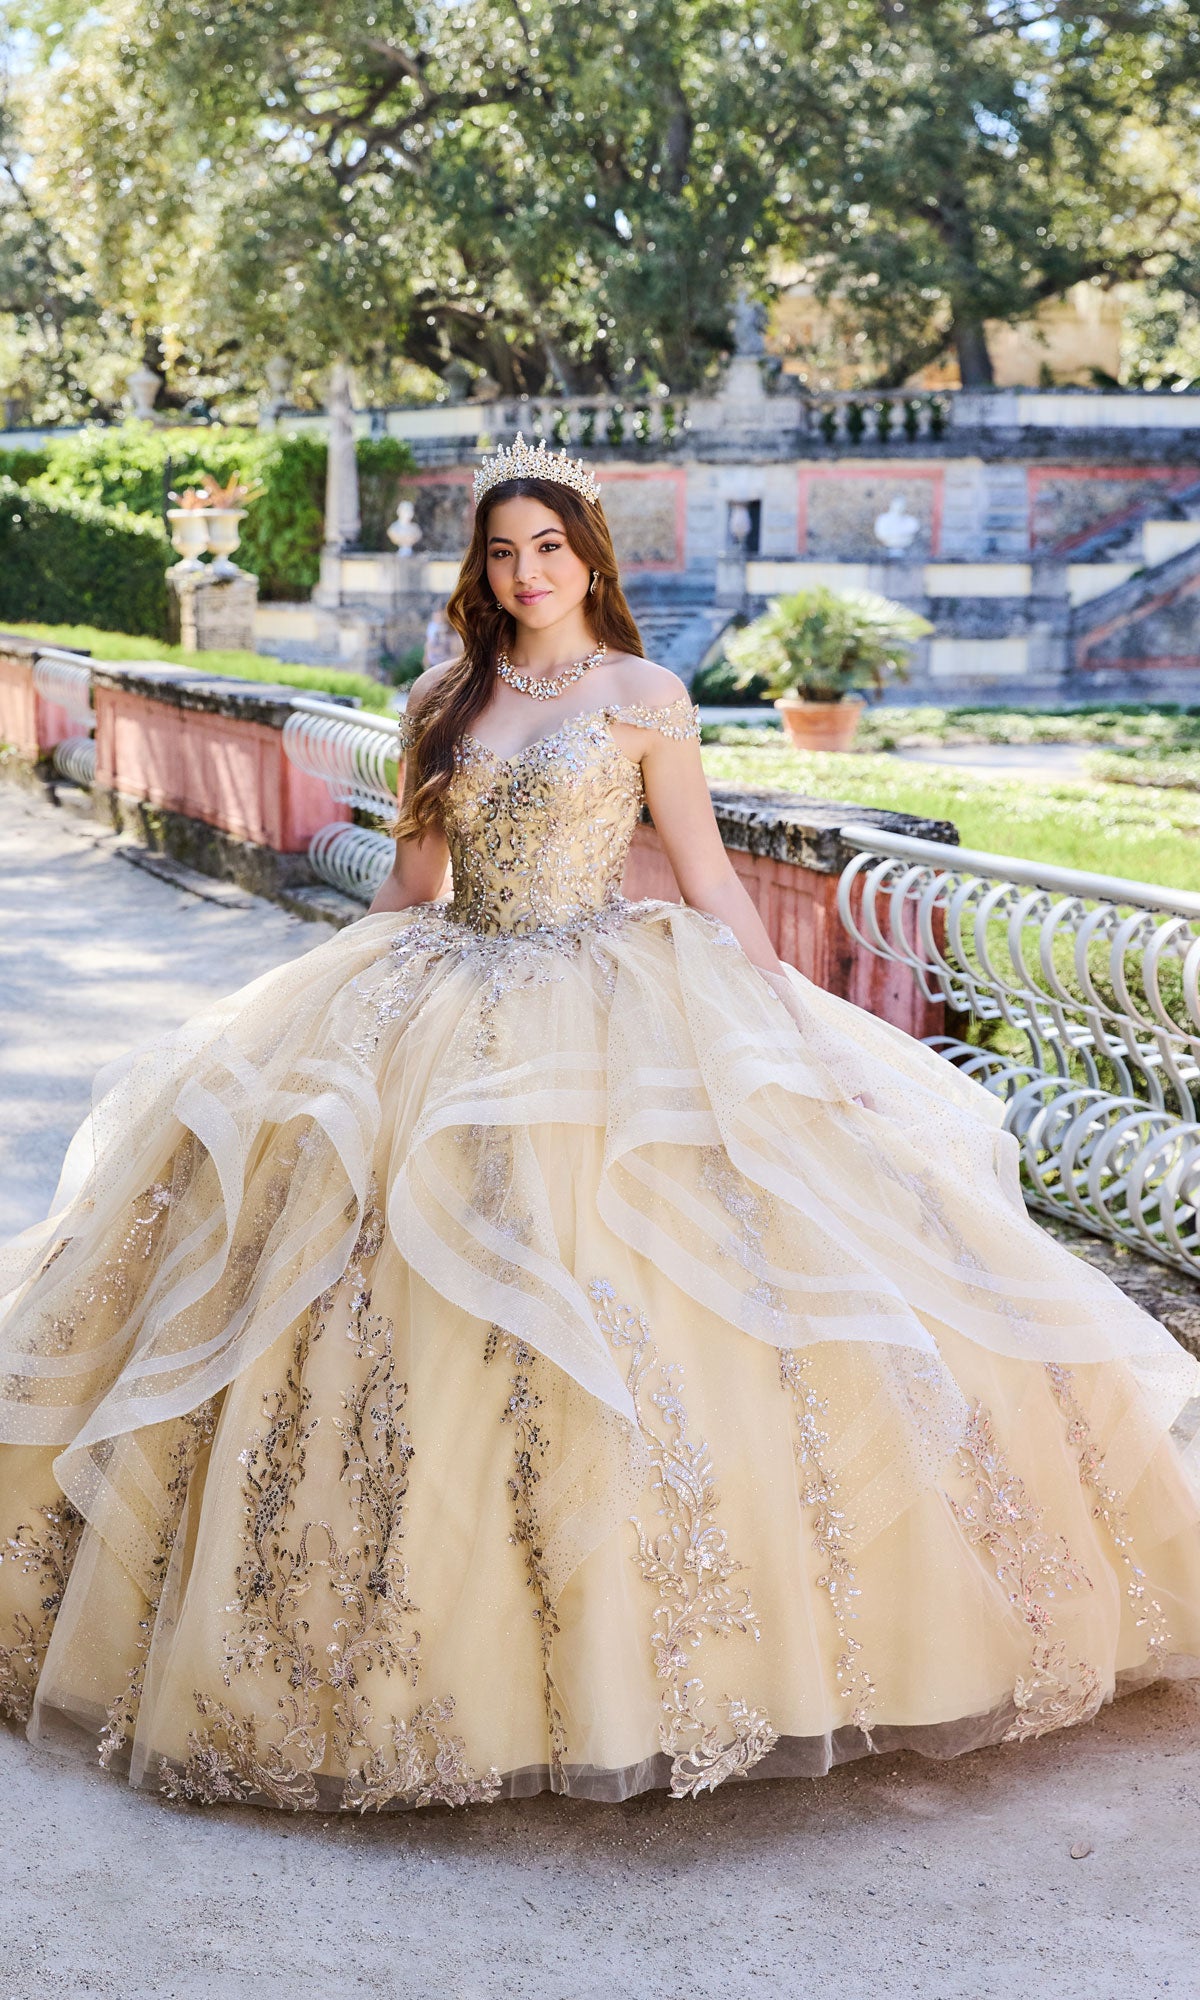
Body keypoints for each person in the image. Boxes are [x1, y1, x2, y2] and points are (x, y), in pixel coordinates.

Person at [0, 434, 1197, 1812]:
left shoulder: (643, 695)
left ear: (588, 558)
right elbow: (410, 884)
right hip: (443, 985)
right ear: (482, 568)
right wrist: (305, 1014)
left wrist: (792, 1025)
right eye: (504, 552)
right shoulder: (440, 695)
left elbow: (707, 875)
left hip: (605, 995)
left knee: (663, 1278)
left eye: (550, 548)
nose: (528, 573)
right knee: (377, 1275)